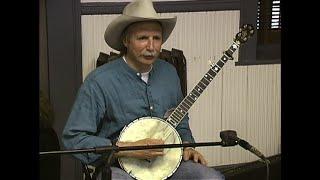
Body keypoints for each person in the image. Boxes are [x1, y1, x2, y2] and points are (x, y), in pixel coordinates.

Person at [62, 0, 224, 179]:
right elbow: (74, 139)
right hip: (119, 167)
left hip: (168, 163)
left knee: (210, 177)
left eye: (156, 38)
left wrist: (188, 145)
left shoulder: (169, 73)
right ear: (126, 40)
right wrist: (124, 149)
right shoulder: (99, 81)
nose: (151, 47)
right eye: (142, 38)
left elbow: (181, 120)